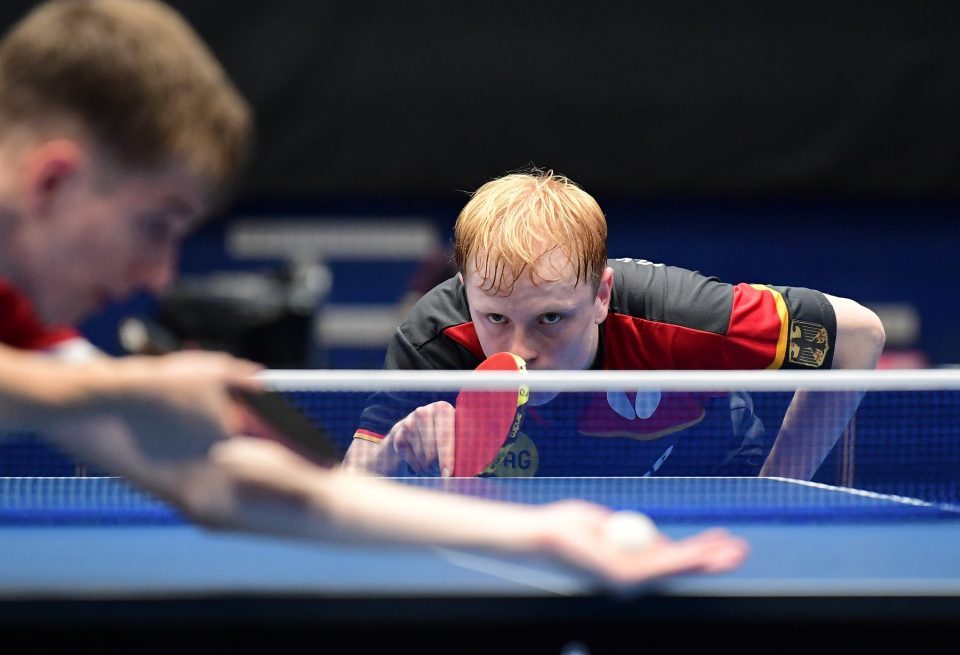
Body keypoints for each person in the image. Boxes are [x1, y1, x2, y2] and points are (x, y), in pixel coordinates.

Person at [0, 0, 748, 584]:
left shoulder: (21, 323)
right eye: (156, 224)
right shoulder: (66, 370)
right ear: (53, 180)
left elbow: (214, 481)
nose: (158, 276)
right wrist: (120, 388)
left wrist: (544, 534)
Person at [343, 169, 886, 480]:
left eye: (552, 317)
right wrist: (393, 449)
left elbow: (859, 335)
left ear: (602, 294)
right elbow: (350, 482)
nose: (520, 349)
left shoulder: (677, 315)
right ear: (466, 293)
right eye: (495, 317)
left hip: (702, 481)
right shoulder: (437, 337)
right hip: (530, 511)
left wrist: (778, 490)